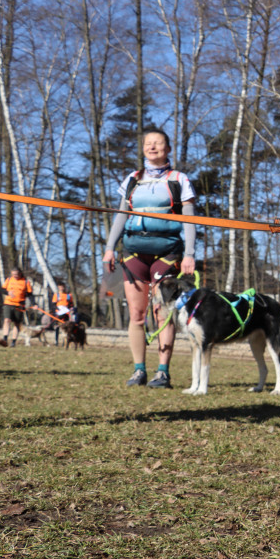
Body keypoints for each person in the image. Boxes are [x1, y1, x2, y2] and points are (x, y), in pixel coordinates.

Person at [102, 128, 197, 388]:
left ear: (168, 148)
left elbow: (190, 219)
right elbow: (121, 214)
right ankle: (138, 370)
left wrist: (189, 254)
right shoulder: (132, 179)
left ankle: (163, 372)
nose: (152, 147)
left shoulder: (179, 179)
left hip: (167, 252)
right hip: (133, 251)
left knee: (162, 311)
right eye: (148, 143)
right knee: (136, 313)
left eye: (158, 143)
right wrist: (109, 247)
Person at [0, 267, 33, 347]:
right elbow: (2, 290)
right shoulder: (9, 279)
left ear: (20, 273)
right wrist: (8, 292)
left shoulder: (26, 281)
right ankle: (5, 339)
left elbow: (30, 294)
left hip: (19, 305)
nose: (15, 276)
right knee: (7, 320)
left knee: (16, 323)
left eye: (16, 274)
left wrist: (34, 304)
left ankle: (13, 342)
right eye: (13, 274)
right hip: (8, 303)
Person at [52, 281, 75, 345]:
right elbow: (53, 304)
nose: (61, 288)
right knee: (57, 326)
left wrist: (71, 309)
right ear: (58, 288)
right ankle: (56, 341)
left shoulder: (69, 295)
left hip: (66, 313)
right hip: (58, 313)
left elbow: (71, 304)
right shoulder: (56, 295)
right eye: (60, 287)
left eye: (62, 287)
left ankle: (64, 341)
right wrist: (57, 309)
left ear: (64, 287)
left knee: (65, 327)